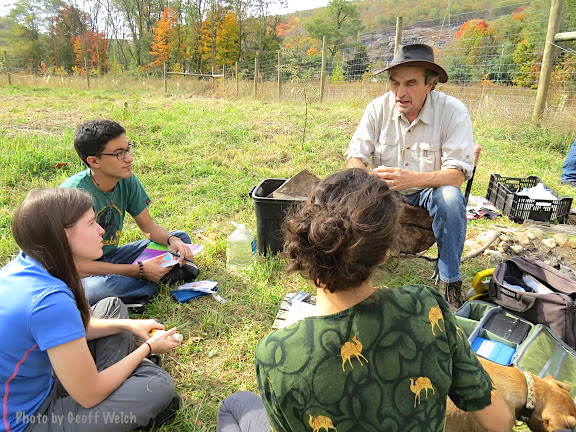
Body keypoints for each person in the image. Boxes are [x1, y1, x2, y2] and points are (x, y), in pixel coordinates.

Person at [252, 169, 513, 431]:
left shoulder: (275, 356)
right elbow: (500, 422)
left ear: (306, 240)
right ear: (384, 254)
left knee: (239, 405)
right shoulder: (426, 305)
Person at [0, 188, 181, 432]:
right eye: (91, 223)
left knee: (111, 307)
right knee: (156, 385)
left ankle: (117, 385)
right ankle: (125, 398)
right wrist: (148, 348)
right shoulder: (49, 300)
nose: (101, 230)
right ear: (63, 236)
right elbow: (89, 395)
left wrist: (130, 325)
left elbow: (73, 327)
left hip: (41, 378)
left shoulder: (27, 262)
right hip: (26, 420)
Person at [345, 43, 474, 308]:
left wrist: (411, 179)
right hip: (386, 189)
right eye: (395, 84)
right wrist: (364, 180)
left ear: (430, 84)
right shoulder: (378, 108)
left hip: (430, 190)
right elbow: (355, 155)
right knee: (351, 188)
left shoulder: (453, 112)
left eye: (411, 84)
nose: (400, 93)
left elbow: (456, 177)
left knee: (450, 198)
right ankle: (356, 272)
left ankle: (449, 281)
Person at [61, 119, 198, 307]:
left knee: (180, 238)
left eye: (128, 149)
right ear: (93, 161)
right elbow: (72, 265)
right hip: (81, 272)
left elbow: (149, 228)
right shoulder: (73, 194)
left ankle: (144, 285)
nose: (129, 158)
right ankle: (154, 281)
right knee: (95, 291)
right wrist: (139, 270)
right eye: (119, 154)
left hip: (111, 257)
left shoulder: (126, 179)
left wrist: (172, 241)